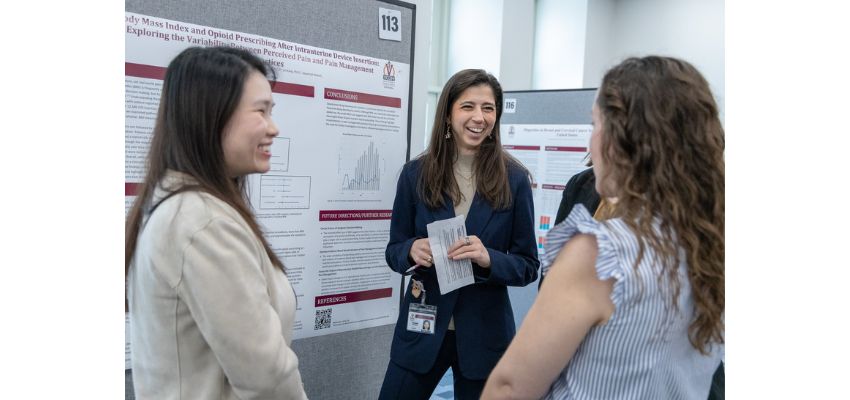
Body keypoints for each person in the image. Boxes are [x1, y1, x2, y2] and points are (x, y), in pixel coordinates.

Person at [482, 56, 724, 399]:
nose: (591, 143)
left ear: (625, 141)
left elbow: (509, 388)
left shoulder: (599, 251)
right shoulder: (711, 244)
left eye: (595, 125)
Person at [125, 46, 307, 400]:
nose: (274, 128)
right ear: (212, 115)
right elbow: (266, 375)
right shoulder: (200, 222)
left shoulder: (184, 207)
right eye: (261, 111)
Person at [379, 69, 539, 400]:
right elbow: (394, 250)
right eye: (468, 106)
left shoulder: (515, 180)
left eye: (488, 108)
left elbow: (527, 265)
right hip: (422, 326)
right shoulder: (415, 175)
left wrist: (488, 258)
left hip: (484, 336)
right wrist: (411, 250)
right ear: (449, 114)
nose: (479, 117)